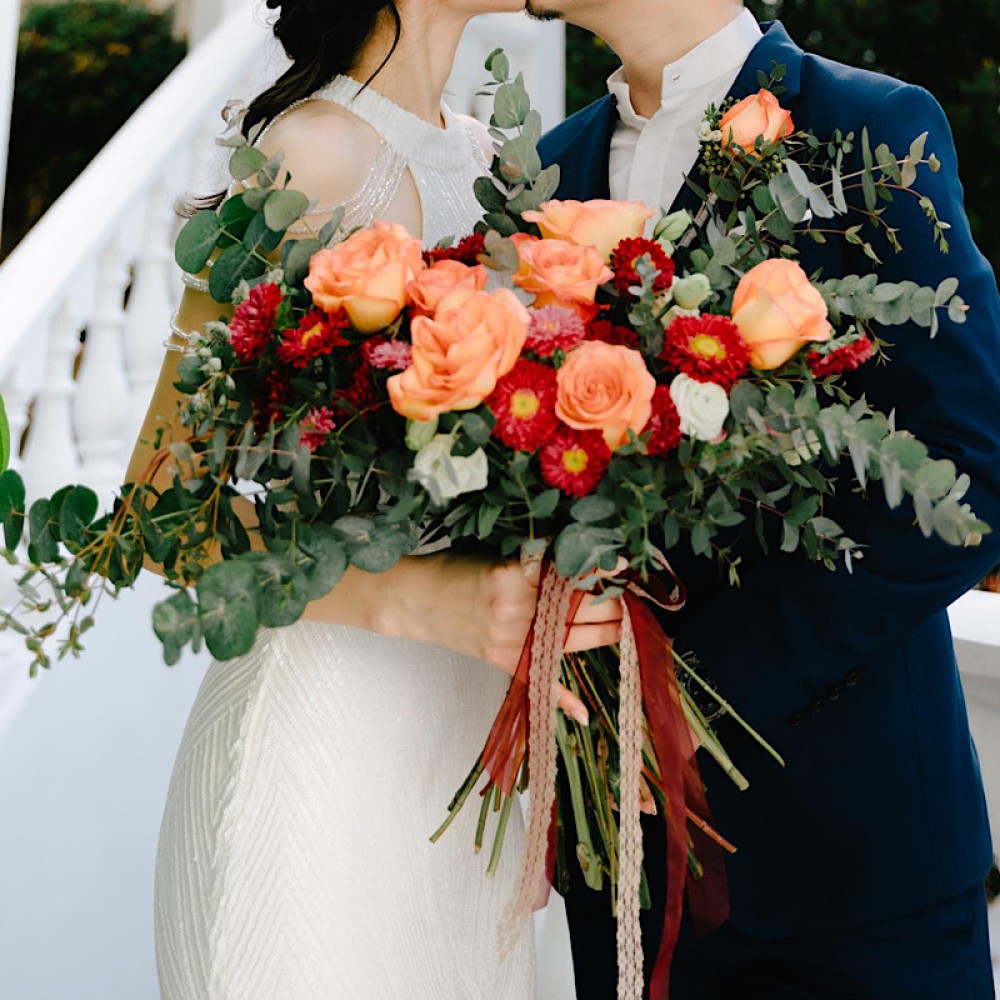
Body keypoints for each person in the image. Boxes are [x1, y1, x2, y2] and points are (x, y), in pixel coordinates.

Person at [127, 1, 622, 996]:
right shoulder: (305, 155)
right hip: (324, 748)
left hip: (466, 763)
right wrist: (416, 596)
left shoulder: (494, 161)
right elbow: (159, 507)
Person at [535, 1, 1000, 997]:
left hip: (856, 860)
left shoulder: (869, 127)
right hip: (626, 870)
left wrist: (691, 697)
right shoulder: (551, 165)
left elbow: (967, 466)